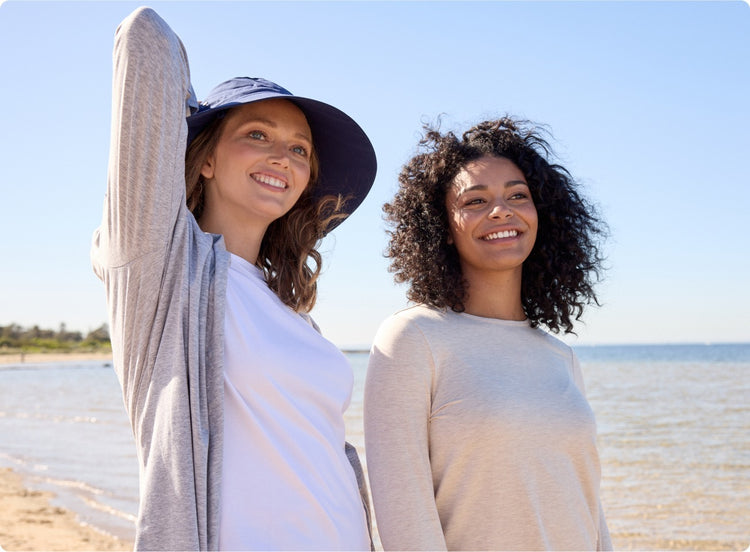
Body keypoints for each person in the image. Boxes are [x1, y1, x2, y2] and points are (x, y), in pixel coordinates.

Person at [91, 7, 377, 551]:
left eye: (299, 148)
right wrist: (196, 115)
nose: (282, 156)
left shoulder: (292, 312)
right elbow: (144, 36)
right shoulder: (164, 267)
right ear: (204, 160)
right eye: (256, 134)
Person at [363, 118, 611, 550]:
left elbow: (589, 511)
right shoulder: (412, 338)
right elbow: (404, 518)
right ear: (441, 226)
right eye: (475, 201)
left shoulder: (560, 357)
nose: (501, 210)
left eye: (518, 195)